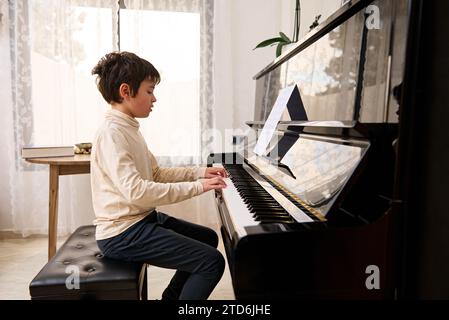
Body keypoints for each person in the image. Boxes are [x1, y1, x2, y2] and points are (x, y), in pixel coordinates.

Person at [90, 51, 228, 300]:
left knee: (208, 238)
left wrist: (199, 172)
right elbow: (138, 192)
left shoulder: (128, 127)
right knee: (211, 263)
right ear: (126, 91)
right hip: (122, 233)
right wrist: (200, 187)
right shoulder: (112, 133)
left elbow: (156, 173)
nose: (154, 99)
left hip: (141, 219)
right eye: (150, 91)